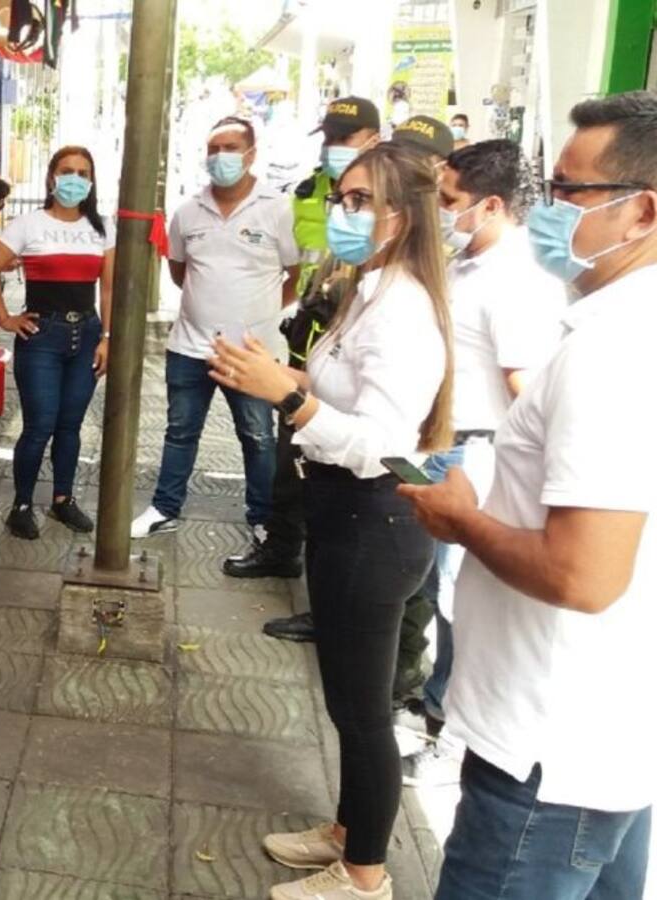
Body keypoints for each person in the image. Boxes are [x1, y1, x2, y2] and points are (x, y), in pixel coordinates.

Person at [402, 91, 656, 900]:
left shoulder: (613, 348)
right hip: (606, 732)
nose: (547, 210)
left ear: (642, 210)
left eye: (569, 191)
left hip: (550, 752)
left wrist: (463, 521)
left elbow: (585, 574)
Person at [209, 141, 453, 900]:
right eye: (340, 198)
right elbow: (341, 389)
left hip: (373, 518)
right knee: (347, 700)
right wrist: (281, 373)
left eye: (359, 202)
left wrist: (286, 397)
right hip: (342, 512)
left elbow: (380, 443)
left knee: (363, 709)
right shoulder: (369, 288)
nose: (342, 214)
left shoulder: (404, 307)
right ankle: (350, 830)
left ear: (401, 216)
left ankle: (364, 876)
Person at [395, 140, 567, 782]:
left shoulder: (518, 280)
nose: (440, 210)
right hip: (440, 443)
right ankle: (429, 698)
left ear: (491, 205)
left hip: (472, 451)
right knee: (433, 586)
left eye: (450, 200)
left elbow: (525, 389)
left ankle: (450, 736)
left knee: (456, 596)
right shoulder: (469, 262)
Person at [236, 97, 381, 646]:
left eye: (347, 137)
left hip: (349, 350)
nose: (334, 147)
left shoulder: (393, 218)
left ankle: (348, 621)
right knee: (293, 465)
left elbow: (378, 443)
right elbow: (301, 265)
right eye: (330, 136)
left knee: (340, 483)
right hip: (312, 342)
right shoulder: (309, 191)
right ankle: (283, 551)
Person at [131, 116, 299, 539]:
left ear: (251, 154)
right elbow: (179, 271)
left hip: (252, 354)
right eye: (213, 149)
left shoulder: (278, 209)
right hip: (190, 346)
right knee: (179, 432)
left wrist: (260, 313)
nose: (220, 157)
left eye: (230, 148)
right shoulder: (188, 212)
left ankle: (262, 517)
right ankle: (165, 507)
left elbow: (296, 276)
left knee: (258, 436)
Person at [0, 146, 115, 539]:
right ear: (52, 177)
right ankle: (21, 506)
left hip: (87, 334)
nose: (75, 179)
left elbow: (109, 290)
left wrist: (107, 338)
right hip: (42, 337)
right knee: (39, 425)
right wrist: (4, 317)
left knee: (70, 425)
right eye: (67, 170)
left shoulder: (102, 228)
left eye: (83, 173)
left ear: (91, 181)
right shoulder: (28, 224)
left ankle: (63, 500)